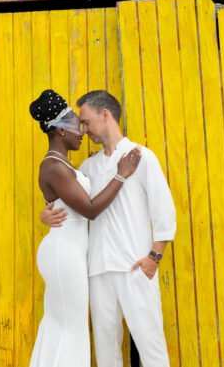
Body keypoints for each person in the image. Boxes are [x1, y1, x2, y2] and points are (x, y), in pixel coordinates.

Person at [40, 90, 176, 367]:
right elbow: (76, 204)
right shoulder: (88, 166)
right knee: (105, 351)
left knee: (151, 346)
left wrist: (154, 257)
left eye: (86, 122)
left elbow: (164, 210)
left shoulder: (142, 157)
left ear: (105, 115)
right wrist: (47, 213)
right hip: (97, 270)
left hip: (135, 266)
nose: (84, 129)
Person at [27, 89, 141, 367]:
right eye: (77, 128)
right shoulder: (54, 167)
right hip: (63, 253)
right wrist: (120, 175)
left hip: (69, 251)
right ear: (60, 131)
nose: (82, 133)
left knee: (62, 326)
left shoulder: (64, 165)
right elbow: (89, 210)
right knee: (72, 327)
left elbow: (67, 200)